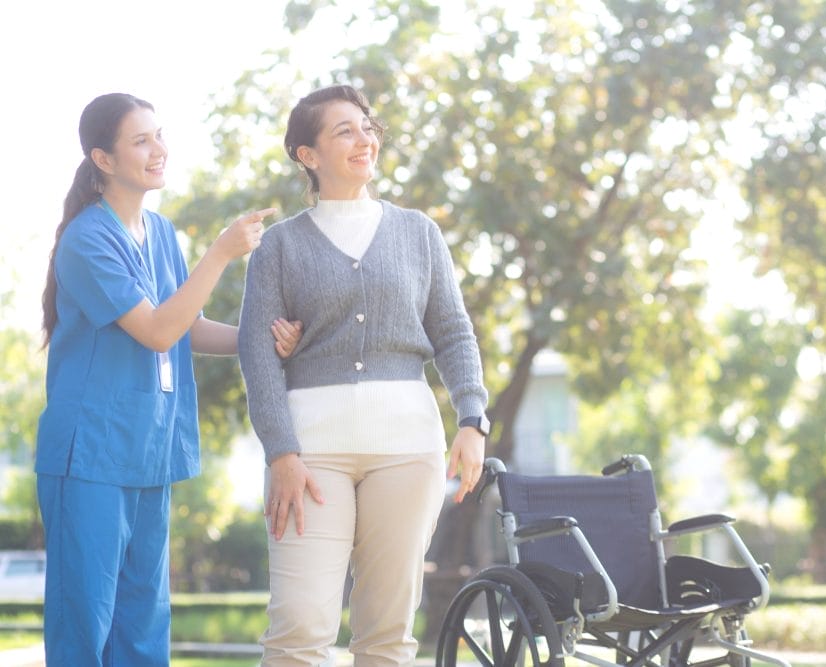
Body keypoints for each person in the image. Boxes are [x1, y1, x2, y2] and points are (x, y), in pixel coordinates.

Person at [35, 92, 301, 667]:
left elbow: (189, 327)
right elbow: (157, 330)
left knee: (144, 624)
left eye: (159, 135)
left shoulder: (162, 233)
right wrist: (223, 253)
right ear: (103, 159)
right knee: (85, 623)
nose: (159, 150)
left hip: (148, 454)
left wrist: (263, 340)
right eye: (141, 140)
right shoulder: (87, 240)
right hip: (91, 459)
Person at [238, 83, 490, 666]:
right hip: (309, 455)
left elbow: (453, 332)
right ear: (309, 154)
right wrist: (280, 452)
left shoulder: (418, 233)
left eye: (367, 128)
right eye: (344, 130)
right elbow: (257, 352)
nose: (364, 139)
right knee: (299, 626)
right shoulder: (278, 246)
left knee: (386, 631)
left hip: (407, 450)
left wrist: (472, 419)